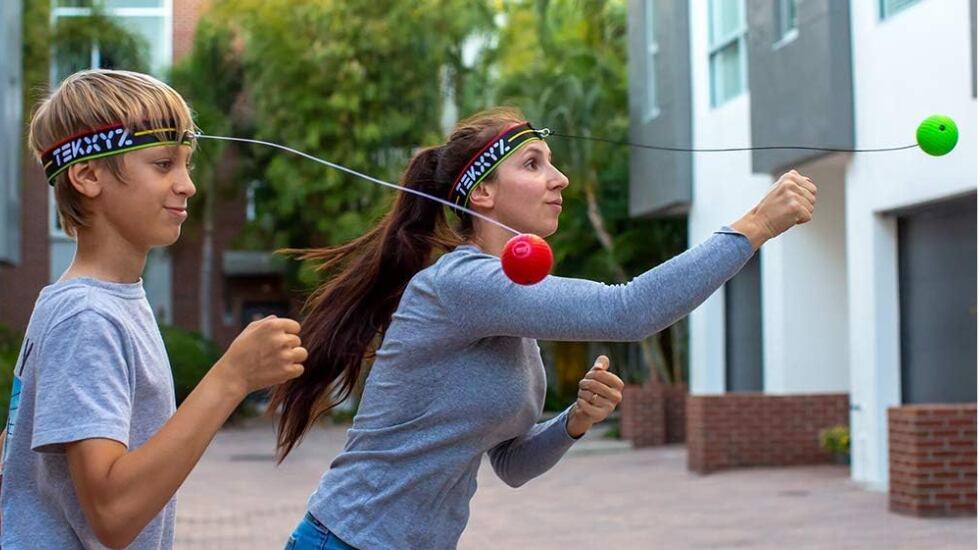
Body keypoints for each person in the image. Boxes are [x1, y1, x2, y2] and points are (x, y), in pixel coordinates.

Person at [271, 107, 817, 549]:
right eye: (533, 164)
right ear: (482, 193)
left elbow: (511, 464)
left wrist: (575, 421)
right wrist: (754, 226)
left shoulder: (510, 309)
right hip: (347, 539)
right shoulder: (462, 284)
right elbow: (627, 311)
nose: (560, 179)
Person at [0, 68, 307, 549]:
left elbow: (18, 453)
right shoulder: (87, 316)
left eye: (187, 163)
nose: (187, 185)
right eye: (164, 164)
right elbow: (113, 514)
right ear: (87, 176)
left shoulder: (93, 302)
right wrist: (232, 378)